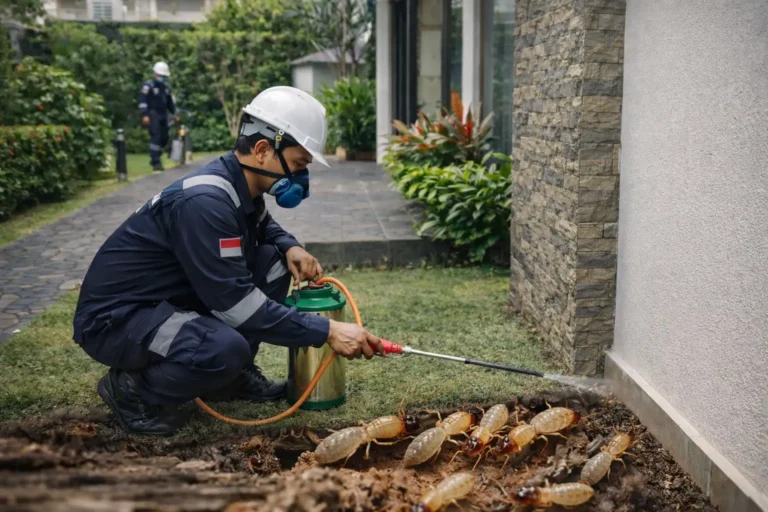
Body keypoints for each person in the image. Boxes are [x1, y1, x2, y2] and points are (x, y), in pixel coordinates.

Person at [73, 86, 384, 436]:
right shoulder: (205, 203)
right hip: (116, 319)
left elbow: (262, 224)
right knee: (222, 348)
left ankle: (227, 382)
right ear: (263, 150)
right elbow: (238, 307)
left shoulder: (239, 184)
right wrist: (327, 330)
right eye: (298, 165)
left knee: (274, 262)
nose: (301, 179)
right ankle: (131, 389)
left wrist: (290, 246)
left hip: (163, 301)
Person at [139, 61, 176, 171]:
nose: (161, 78)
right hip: (152, 114)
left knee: (164, 138)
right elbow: (143, 101)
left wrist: (175, 114)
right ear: (155, 74)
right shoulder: (148, 86)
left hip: (163, 115)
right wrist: (145, 114)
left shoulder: (166, 88)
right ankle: (155, 162)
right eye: (160, 75)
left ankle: (157, 156)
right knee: (156, 137)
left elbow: (170, 104)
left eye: (163, 76)